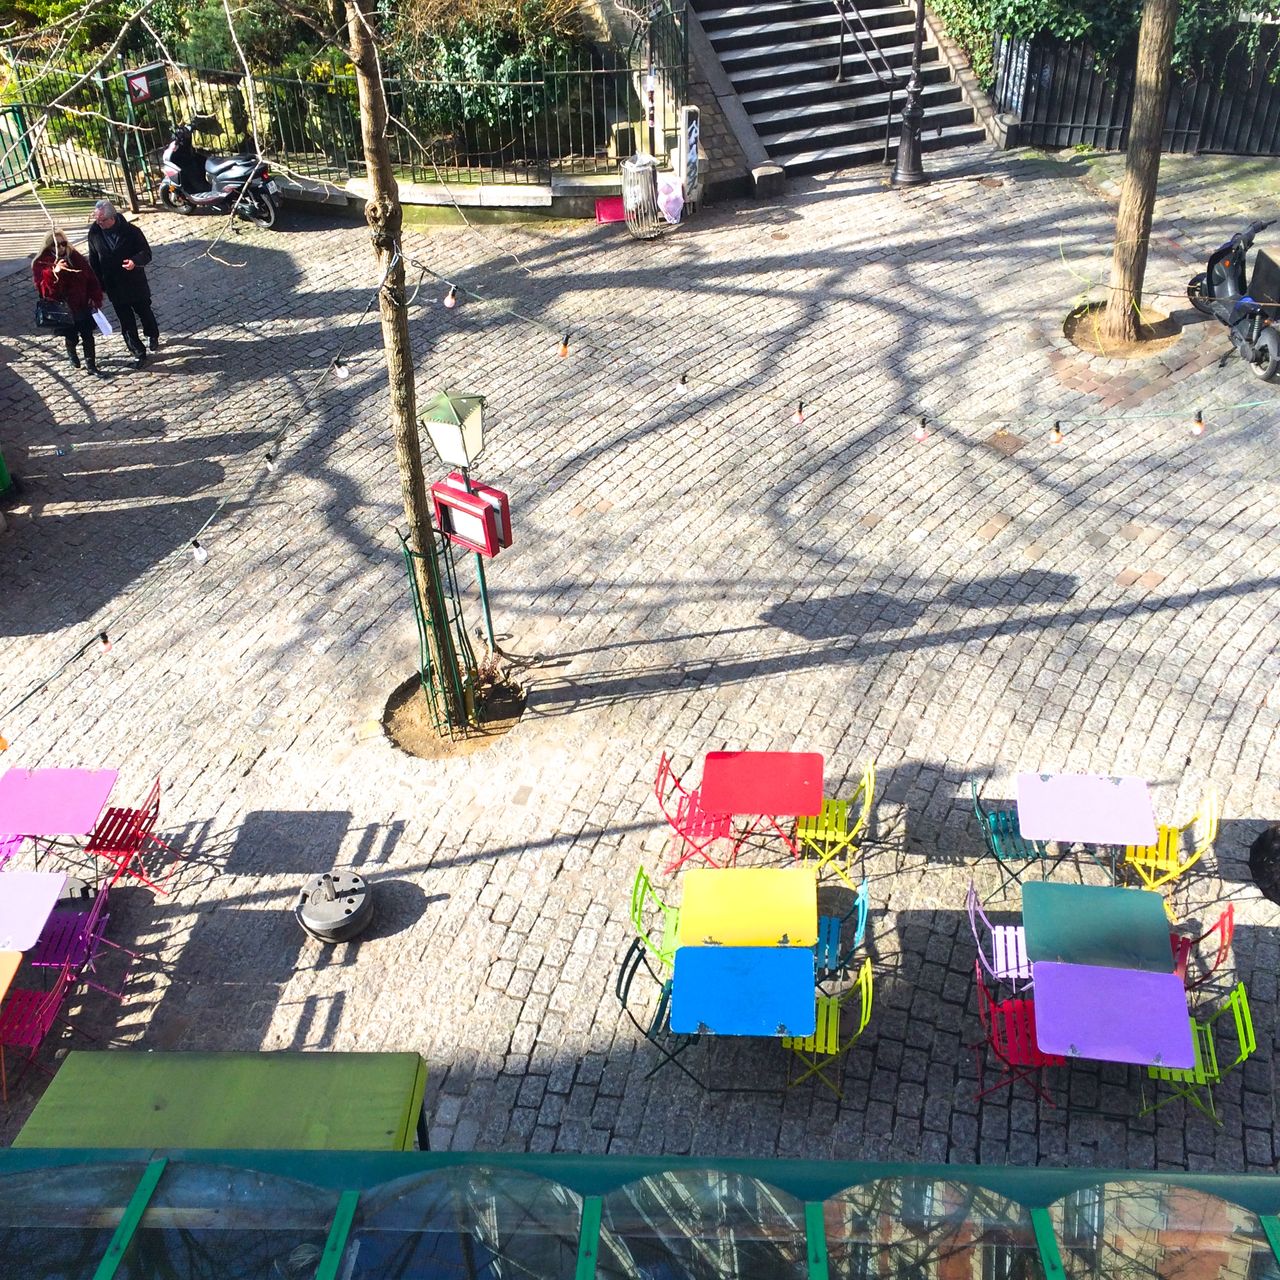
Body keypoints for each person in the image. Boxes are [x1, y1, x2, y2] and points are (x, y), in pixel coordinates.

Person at [87, 199, 160, 364]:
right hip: (114, 285)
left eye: (102, 221)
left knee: (144, 312)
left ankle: (152, 334)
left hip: (135, 282)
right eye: (96, 220)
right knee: (126, 321)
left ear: (111, 218)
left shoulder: (132, 231)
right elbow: (94, 260)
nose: (99, 223)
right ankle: (137, 351)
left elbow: (146, 253)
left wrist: (135, 261)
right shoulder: (94, 233)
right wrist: (98, 284)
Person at [32, 227, 105, 376]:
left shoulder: (75, 257)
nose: (60, 247)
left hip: (82, 304)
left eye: (63, 243)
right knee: (72, 336)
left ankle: (91, 364)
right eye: (56, 244)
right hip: (64, 308)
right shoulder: (42, 263)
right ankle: (71, 352)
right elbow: (45, 290)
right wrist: (54, 273)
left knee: (88, 335)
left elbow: (90, 278)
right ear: (49, 246)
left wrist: (95, 297)